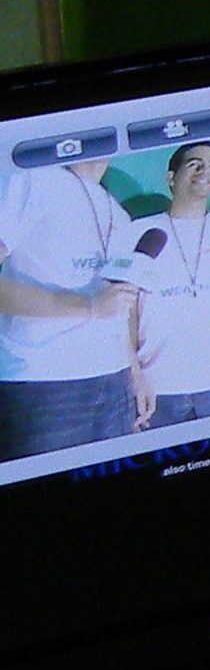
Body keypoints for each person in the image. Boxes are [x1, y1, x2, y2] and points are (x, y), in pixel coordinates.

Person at [0, 157, 137, 458]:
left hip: (116, 382)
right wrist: (88, 305)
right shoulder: (31, 179)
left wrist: (134, 373)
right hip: (44, 383)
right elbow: (101, 304)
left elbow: (117, 304)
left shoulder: (118, 213)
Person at [127, 140, 210, 429]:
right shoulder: (139, 231)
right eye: (194, 164)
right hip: (157, 387)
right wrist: (133, 378)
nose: (204, 171)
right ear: (171, 178)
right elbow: (127, 311)